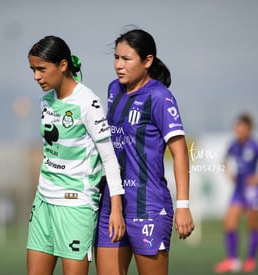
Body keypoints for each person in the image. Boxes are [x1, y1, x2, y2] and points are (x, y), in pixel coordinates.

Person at [95, 29, 195, 275]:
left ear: (147, 61)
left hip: (148, 205)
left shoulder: (160, 97)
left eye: (126, 59)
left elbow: (180, 152)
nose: (119, 65)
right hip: (113, 204)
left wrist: (183, 205)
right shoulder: (113, 90)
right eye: (116, 58)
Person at [26, 35, 125, 275]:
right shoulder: (46, 100)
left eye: (41, 69)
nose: (36, 76)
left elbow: (110, 159)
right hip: (43, 202)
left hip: (76, 205)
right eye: (33, 69)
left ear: (62, 65)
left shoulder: (87, 102)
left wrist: (116, 208)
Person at [214, 113, 258, 273]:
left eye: (241, 127)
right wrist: (229, 174)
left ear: (249, 128)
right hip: (239, 189)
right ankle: (233, 260)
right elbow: (223, 160)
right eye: (236, 127)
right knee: (229, 223)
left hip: (252, 190)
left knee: (253, 225)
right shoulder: (234, 144)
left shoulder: (256, 145)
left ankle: (251, 259)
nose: (238, 130)